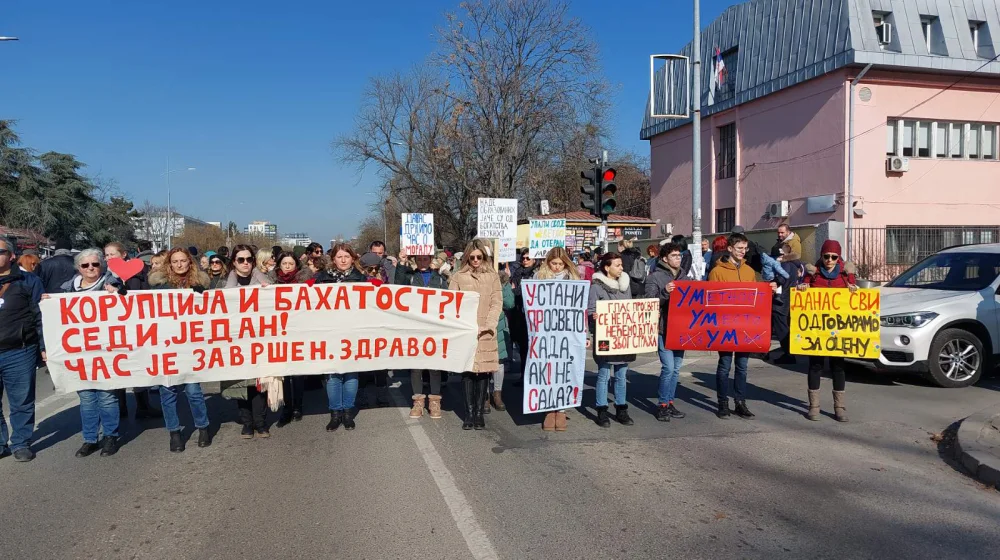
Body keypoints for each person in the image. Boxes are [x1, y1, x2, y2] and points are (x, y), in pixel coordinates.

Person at [59, 249, 123, 457]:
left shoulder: (113, 284)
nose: (91, 269)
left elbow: (130, 308)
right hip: (80, 351)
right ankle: (90, 439)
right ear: (78, 268)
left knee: (107, 396)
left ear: (101, 266)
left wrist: (119, 294)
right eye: (85, 266)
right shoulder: (67, 290)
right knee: (86, 397)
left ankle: (110, 436)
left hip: (107, 350)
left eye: (95, 264)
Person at [148, 248, 213, 452]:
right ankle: (174, 432)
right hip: (166, 345)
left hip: (191, 346)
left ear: (189, 263)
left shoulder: (200, 283)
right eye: (174, 261)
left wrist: (204, 298)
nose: (179, 265)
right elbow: (141, 308)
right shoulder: (159, 286)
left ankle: (203, 427)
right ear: (169, 263)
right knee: (167, 391)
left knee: (193, 391)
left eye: (183, 261)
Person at [708, 233, 777, 419]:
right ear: (729, 248)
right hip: (725, 327)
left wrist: (768, 290)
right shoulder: (717, 272)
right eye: (739, 248)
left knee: (742, 366)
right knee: (724, 365)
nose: (743, 251)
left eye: (745, 248)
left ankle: (740, 402)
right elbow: (710, 300)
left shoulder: (749, 271)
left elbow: (758, 297)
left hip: (745, 327)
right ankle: (722, 403)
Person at [798, 240, 857, 422]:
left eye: (834, 257)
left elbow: (855, 296)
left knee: (838, 367)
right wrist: (802, 288)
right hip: (816, 330)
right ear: (821, 256)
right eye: (826, 256)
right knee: (815, 366)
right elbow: (802, 289)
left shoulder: (846, 275)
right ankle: (814, 406)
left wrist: (854, 291)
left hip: (838, 330)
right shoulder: (813, 275)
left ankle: (839, 407)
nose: (829, 260)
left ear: (839, 258)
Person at [448, 239, 503, 431]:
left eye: (479, 257)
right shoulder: (458, 277)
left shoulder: (492, 276)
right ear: (466, 258)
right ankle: (469, 413)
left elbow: (497, 302)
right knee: (468, 373)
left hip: (486, 332)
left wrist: (489, 324)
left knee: (483, 374)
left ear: (484, 257)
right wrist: (463, 325)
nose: (476, 260)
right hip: (466, 331)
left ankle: (480, 413)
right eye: (472, 257)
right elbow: (451, 302)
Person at [103, 242, 161, 421]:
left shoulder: (135, 273)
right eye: (106, 255)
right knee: (118, 366)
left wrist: (119, 292)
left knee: (136, 365)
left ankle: (142, 406)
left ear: (124, 254)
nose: (109, 258)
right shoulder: (106, 276)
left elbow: (134, 298)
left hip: (134, 326)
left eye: (113, 254)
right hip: (114, 328)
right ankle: (122, 406)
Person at [220, 245, 273, 438]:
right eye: (240, 260)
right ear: (233, 262)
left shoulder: (266, 282)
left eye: (249, 259)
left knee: (259, 382)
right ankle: (247, 423)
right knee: (240, 382)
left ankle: (261, 422)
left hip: (260, 339)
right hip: (235, 341)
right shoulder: (223, 284)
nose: (245, 263)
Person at [314, 243, 367, 431]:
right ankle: (335, 413)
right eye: (339, 257)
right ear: (333, 259)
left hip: (353, 332)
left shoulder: (361, 279)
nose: (343, 260)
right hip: (329, 333)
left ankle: (348, 413)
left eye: (347, 256)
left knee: (351, 373)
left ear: (353, 258)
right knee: (333, 374)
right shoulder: (322, 279)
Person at [0, 238, 44, 462]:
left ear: (12, 255)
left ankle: (20, 443)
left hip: (19, 350)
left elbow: (40, 316)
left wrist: (44, 347)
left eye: (0, 251)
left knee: (21, 401)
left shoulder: (29, 281)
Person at [532, 247, 581, 431]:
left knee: (564, 369)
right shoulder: (539, 277)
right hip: (545, 331)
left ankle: (560, 410)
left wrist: (584, 332)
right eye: (554, 263)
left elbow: (580, 308)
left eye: (560, 264)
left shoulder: (574, 279)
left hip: (567, 332)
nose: (557, 267)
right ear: (548, 262)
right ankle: (547, 408)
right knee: (547, 370)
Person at [396, 251, 449, 419]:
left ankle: (435, 401)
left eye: (425, 258)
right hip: (415, 328)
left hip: (435, 328)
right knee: (416, 367)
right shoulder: (410, 277)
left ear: (431, 260)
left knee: (434, 367)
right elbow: (398, 285)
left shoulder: (440, 280)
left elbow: (449, 302)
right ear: (415, 260)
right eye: (419, 259)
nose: (423, 261)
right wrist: (401, 263)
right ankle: (418, 401)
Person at [645, 242, 693, 422]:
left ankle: (670, 402)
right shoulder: (655, 277)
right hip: (663, 328)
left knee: (676, 369)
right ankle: (662, 405)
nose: (678, 258)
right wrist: (665, 292)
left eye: (679, 255)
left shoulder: (685, 277)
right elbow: (649, 302)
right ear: (665, 258)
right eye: (674, 256)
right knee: (668, 367)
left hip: (681, 329)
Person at [588, 252, 636, 428]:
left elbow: (630, 306)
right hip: (605, 336)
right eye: (618, 265)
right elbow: (590, 310)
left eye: (621, 265)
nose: (621, 268)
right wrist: (595, 317)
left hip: (623, 335)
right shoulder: (596, 287)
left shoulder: (625, 284)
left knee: (622, 374)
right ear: (607, 268)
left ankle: (621, 409)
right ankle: (602, 410)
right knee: (604, 374)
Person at [357, 251, 390, 408]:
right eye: (370, 269)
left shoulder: (385, 279)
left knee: (381, 364)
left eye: (377, 269)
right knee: (363, 363)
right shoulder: (357, 280)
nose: (374, 272)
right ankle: (361, 393)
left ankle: (382, 393)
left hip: (380, 327)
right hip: (362, 327)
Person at [770, 242, 803, 365]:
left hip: (781, 301)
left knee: (782, 329)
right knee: (785, 327)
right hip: (789, 299)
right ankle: (789, 352)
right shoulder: (795, 264)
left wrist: (775, 282)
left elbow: (783, 278)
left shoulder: (784, 265)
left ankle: (788, 354)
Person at [509, 249, 539, 376]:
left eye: (528, 258)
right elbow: (513, 291)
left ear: (534, 259)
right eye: (523, 258)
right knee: (522, 346)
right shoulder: (517, 273)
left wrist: (517, 290)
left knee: (533, 346)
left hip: (533, 315)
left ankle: (532, 375)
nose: (525, 261)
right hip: (519, 313)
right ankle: (523, 375)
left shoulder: (537, 273)